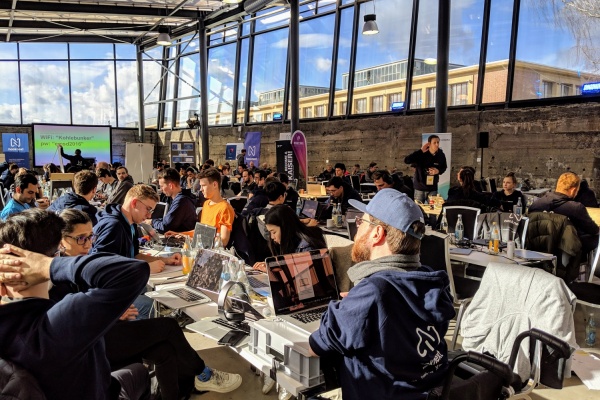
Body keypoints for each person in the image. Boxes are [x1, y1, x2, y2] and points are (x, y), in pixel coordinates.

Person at [53, 209, 242, 399]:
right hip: (93, 344)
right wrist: (111, 312)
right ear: (61, 240)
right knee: (168, 326)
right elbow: (70, 320)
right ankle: (203, 373)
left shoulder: (78, 263)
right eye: (81, 238)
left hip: (104, 331)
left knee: (164, 351)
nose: (88, 244)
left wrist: (115, 309)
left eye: (90, 236)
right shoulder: (59, 276)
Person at [308, 189, 455, 400]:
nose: (357, 229)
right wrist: (359, 305)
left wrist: (355, 307)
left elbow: (316, 346)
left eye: (361, 222)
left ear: (377, 234)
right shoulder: (431, 282)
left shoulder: (375, 292)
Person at [0, 209, 152, 400]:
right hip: (103, 391)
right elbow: (132, 272)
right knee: (141, 373)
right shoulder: (56, 325)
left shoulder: (14, 324)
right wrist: (48, 266)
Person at [92, 184, 181, 318]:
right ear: (134, 203)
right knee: (153, 306)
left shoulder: (130, 224)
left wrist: (165, 260)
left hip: (119, 287)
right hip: (107, 295)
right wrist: (145, 268)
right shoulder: (113, 226)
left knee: (159, 294)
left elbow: (135, 255)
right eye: (148, 209)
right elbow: (100, 269)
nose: (149, 215)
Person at [528, 172, 599, 254]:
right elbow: (593, 230)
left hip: (537, 248)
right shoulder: (575, 208)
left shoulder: (537, 204)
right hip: (564, 251)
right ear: (573, 190)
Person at [253, 204, 326, 271]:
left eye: (274, 232)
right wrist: (273, 266)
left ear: (286, 228)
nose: (272, 237)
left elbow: (303, 279)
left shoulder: (307, 248)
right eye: (270, 232)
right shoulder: (291, 243)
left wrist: (272, 272)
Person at [151, 168, 196, 234]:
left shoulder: (181, 201)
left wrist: (152, 222)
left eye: (162, 186)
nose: (161, 189)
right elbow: (167, 221)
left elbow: (166, 227)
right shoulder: (181, 198)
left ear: (171, 186)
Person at [404, 134, 448, 203]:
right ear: (429, 144)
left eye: (438, 142)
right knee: (418, 210)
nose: (437, 144)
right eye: (434, 143)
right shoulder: (421, 154)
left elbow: (444, 167)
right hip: (419, 188)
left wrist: (438, 171)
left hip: (433, 188)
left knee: (433, 210)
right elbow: (407, 160)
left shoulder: (441, 154)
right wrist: (420, 151)